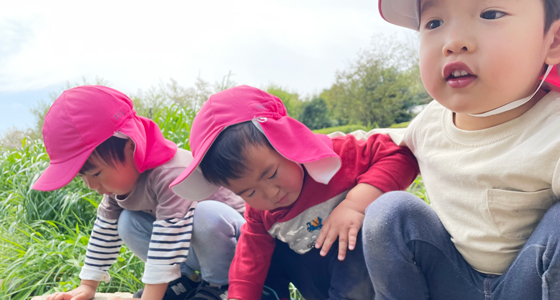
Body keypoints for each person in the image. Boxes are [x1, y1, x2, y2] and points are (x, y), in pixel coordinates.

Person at [361, 0, 560, 298]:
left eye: (490, 14)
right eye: (434, 24)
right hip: (451, 278)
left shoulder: (552, 127)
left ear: (553, 42)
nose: (454, 43)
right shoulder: (430, 121)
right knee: (390, 212)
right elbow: (371, 144)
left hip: (528, 284)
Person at [168, 85, 419, 300]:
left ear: (287, 142)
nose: (270, 193)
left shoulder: (340, 155)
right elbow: (249, 258)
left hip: (363, 272)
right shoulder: (261, 212)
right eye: (249, 191)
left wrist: (355, 204)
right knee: (262, 252)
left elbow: (399, 154)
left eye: (271, 174)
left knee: (357, 240)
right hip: (317, 275)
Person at [33, 85, 246, 300]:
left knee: (206, 215)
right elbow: (104, 231)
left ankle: (220, 286)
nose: (90, 185)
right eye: (82, 176)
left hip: (239, 246)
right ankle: (181, 282)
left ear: (131, 145)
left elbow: (169, 238)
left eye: (96, 173)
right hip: (194, 250)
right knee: (126, 221)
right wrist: (88, 285)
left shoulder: (171, 173)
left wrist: (150, 296)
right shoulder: (118, 188)